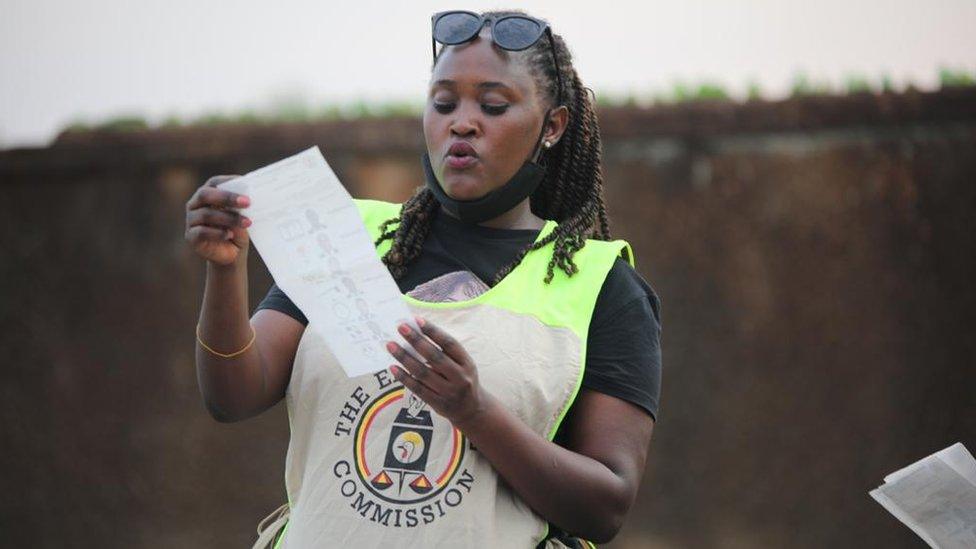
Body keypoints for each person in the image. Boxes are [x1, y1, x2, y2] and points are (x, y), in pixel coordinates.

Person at [184, 9, 661, 548]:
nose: (462, 121)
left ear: (552, 126)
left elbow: (606, 505)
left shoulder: (601, 287)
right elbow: (232, 396)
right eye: (443, 102)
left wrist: (475, 412)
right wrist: (225, 270)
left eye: (494, 105)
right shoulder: (348, 238)